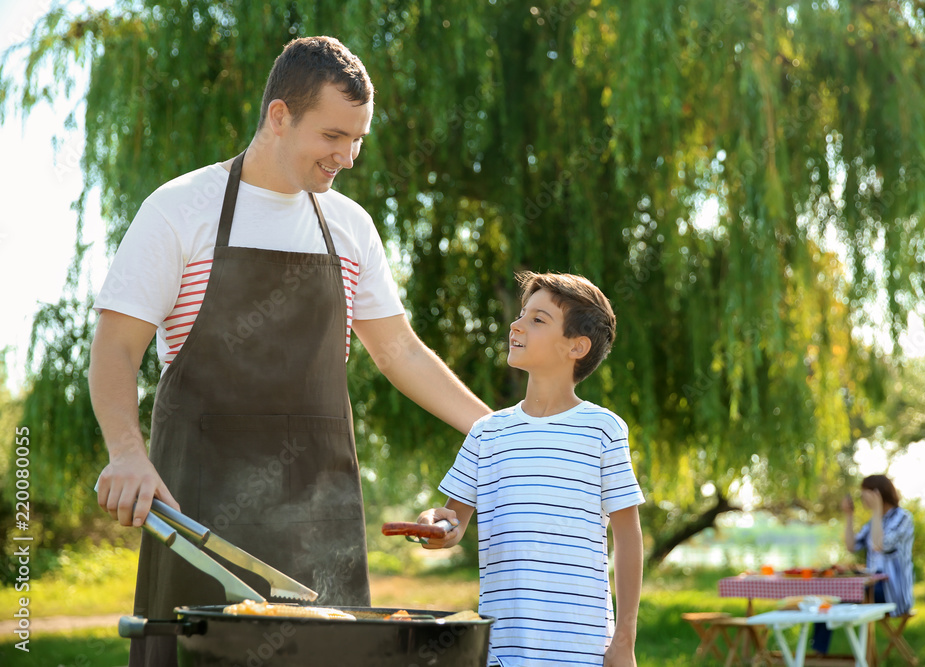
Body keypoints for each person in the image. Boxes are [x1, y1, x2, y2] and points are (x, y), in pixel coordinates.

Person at [89, 36, 491, 667]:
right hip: (198, 511)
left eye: (358, 139)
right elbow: (115, 348)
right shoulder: (179, 209)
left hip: (320, 510)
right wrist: (126, 454)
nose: (348, 157)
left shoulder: (351, 225)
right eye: (334, 136)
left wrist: (498, 435)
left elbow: (399, 353)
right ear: (279, 116)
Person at [418, 271, 645, 667]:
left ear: (576, 347)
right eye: (522, 314)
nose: (516, 324)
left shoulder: (604, 430)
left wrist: (623, 642)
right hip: (502, 651)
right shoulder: (486, 433)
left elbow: (628, 538)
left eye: (537, 319)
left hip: (584, 650)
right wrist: (433, 526)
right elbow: (453, 522)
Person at [812, 474, 915, 654]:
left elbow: (878, 545)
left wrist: (876, 511)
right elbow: (851, 546)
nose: (861, 499)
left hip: (894, 593)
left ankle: (859, 659)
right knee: (827, 599)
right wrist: (849, 515)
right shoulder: (872, 523)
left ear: (878, 494)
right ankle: (819, 654)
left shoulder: (903, 518)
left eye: (865, 494)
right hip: (871, 588)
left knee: (837, 597)